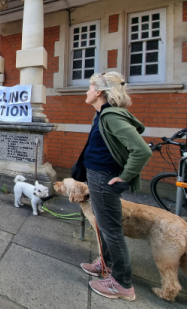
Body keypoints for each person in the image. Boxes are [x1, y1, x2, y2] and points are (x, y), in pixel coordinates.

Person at [79, 72, 151, 301]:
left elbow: (141, 150)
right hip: (98, 176)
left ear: (98, 92)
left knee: (111, 230)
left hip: (104, 179)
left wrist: (125, 176)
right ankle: (106, 264)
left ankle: (121, 284)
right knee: (104, 225)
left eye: (89, 87)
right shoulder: (101, 114)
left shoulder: (111, 116)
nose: (87, 91)